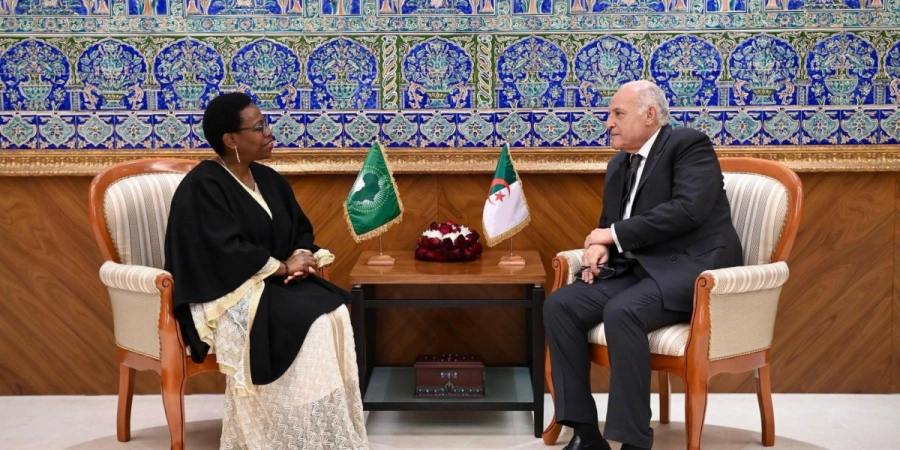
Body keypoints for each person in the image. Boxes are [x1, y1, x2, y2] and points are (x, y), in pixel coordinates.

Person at [543, 80, 742, 450]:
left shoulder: (688, 145)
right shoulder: (619, 162)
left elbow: (688, 210)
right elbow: (611, 224)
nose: (608, 123)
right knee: (561, 305)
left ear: (650, 115)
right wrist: (599, 247)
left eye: (618, 114)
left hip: (693, 269)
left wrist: (611, 235)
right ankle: (585, 431)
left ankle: (633, 441)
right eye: (610, 115)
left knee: (623, 312)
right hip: (641, 270)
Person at [164, 92, 368, 450]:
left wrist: (300, 257)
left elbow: (299, 229)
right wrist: (281, 267)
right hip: (226, 292)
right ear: (231, 139)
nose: (269, 132)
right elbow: (222, 251)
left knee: (333, 313)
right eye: (259, 127)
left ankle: (316, 431)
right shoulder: (202, 186)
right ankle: (279, 434)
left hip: (271, 283)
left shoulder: (268, 178)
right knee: (312, 325)